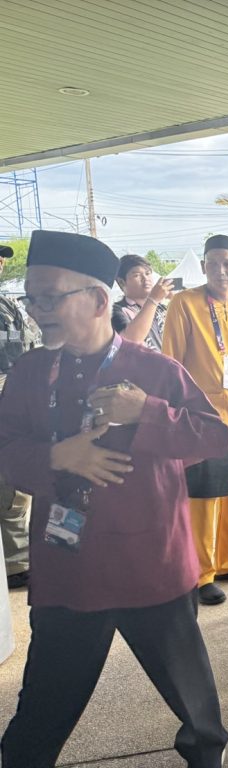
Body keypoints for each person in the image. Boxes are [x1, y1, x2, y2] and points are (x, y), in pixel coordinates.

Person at [0, 230, 228, 767]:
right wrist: (57, 457)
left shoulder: (154, 370)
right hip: (68, 570)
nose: (35, 311)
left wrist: (146, 412)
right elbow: (4, 450)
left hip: (152, 566)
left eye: (49, 297)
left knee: (198, 715)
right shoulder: (29, 373)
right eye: (31, 298)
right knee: (37, 721)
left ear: (99, 300)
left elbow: (212, 437)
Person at [163, 234, 228, 605]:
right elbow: (170, 362)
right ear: (203, 266)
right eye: (213, 263)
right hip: (200, 418)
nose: (221, 271)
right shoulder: (184, 303)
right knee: (203, 499)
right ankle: (201, 573)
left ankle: (227, 560)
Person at [0, 243, 37, 591]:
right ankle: (15, 563)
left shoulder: (8, 303)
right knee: (10, 484)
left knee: (18, 483)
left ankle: (18, 558)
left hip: (15, 395)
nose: (0, 262)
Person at [111, 253, 174, 351]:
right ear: (121, 282)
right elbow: (130, 341)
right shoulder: (116, 311)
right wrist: (153, 300)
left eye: (148, 273)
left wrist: (175, 301)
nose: (145, 279)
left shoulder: (160, 308)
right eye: (137, 275)